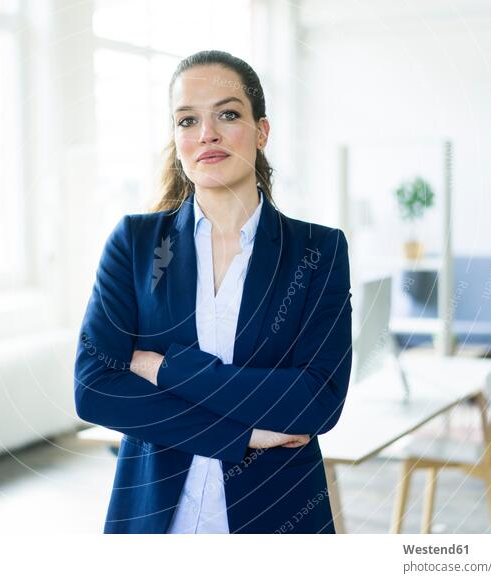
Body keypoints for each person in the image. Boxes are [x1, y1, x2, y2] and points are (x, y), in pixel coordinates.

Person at [74, 50, 352, 534]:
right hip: (154, 523)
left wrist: (162, 368)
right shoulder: (137, 244)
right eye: (188, 120)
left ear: (261, 132)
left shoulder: (318, 251)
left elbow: (316, 401)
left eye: (227, 113)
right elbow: (94, 391)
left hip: (279, 518)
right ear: (176, 138)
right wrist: (242, 436)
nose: (207, 133)